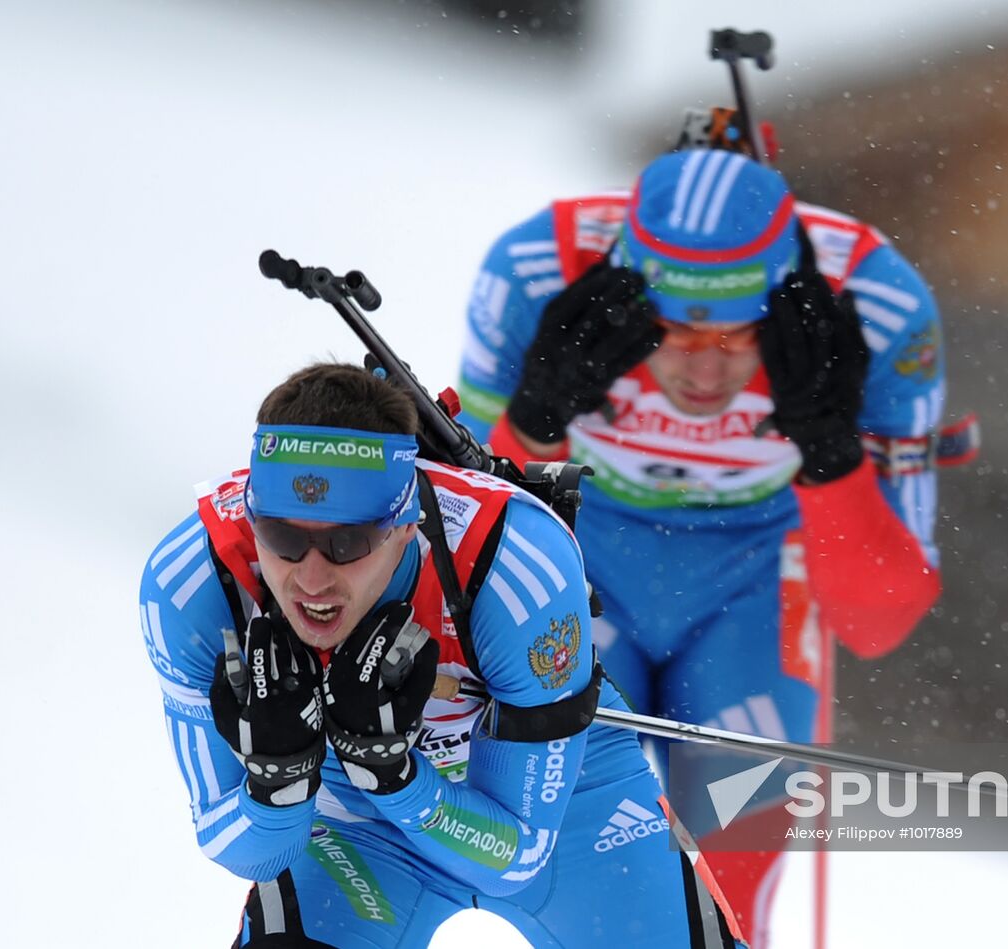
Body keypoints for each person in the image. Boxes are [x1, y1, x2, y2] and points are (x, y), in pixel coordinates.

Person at [455, 147, 948, 944]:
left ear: (784, 304)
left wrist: (830, 451)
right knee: (585, 878)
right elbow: (456, 549)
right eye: (672, 329)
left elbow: (878, 619)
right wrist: (535, 419)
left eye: (736, 333)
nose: (703, 368)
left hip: (754, 578)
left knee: (727, 887)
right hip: (587, 554)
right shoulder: (536, 270)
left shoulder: (877, 301)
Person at [139, 362, 745, 948]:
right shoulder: (193, 584)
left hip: (567, 801)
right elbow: (243, 848)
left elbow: (518, 858)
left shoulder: (513, 564)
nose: (311, 580)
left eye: (346, 543)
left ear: (406, 525)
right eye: (282, 539)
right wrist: (279, 781)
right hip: (353, 821)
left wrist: (396, 777)